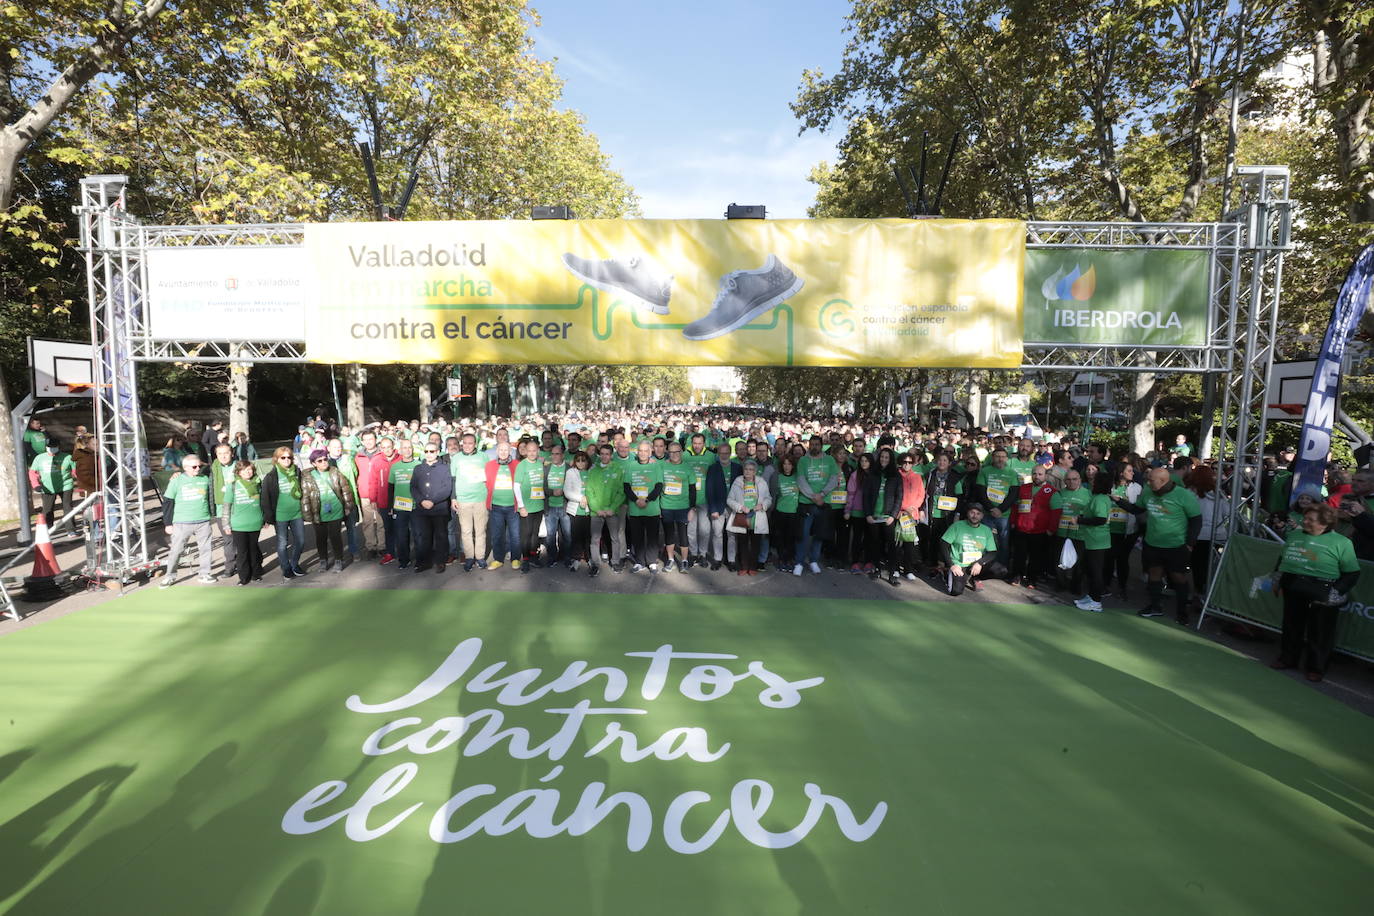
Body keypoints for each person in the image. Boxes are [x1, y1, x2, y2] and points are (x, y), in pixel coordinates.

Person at [1271, 502, 1358, 682]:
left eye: (1310, 520)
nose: (1305, 522)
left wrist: (1336, 592)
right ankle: (1288, 658)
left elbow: (1352, 572)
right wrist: (1277, 579)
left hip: (1323, 588)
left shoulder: (1342, 542)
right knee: (1291, 624)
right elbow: (1283, 558)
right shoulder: (1294, 535)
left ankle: (1316, 667)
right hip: (1293, 583)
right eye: (1305, 518)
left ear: (1324, 522)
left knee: (1320, 630)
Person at [1116, 466, 1202, 623]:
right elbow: (1137, 509)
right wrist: (1120, 501)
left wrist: (1190, 543)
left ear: (1163, 481)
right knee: (1154, 574)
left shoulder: (1184, 495)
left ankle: (1182, 612)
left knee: (1178, 577)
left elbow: (1196, 520)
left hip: (1175, 545)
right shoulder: (1148, 492)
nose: (1148, 483)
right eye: (1147, 479)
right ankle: (1155, 606)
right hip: (1152, 543)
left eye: (1151, 480)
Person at [159, 453, 216, 587]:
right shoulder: (176, 480)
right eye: (194, 466)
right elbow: (168, 502)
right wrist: (167, 523)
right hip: (182, 522)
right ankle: (170, 576)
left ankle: (204, 574)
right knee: (176, 550)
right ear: (185, 467)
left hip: (203, 521)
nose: (197, 469)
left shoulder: (204, 479)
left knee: (206, 549)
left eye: (199, 466)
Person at [302, 449, 354, 572]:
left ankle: (338, 560)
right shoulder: (307, 477)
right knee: (321, 538)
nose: (324, 462)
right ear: (314, 463)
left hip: (335, 510)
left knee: (335, 537)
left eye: (325, 459)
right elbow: (305, 496)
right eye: (319, 461)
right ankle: (323, 561)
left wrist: (348, 507)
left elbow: (345, 490)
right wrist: (307, 514)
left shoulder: (335, 472)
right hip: (318, 512)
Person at [260, 446, 307, 579]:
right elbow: (265, 498)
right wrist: (267, 517)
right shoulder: (271, 476)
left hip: (297, 513)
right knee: (282, 543)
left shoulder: (297, 472)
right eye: (283, 457)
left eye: (289, 457)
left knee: (301, 541)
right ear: (277, 459)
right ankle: (286, 567)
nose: (287, 460)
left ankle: (294, 564)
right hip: (280, 515)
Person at [1009, 464, 1059, 589]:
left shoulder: (1052, 492)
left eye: (1040, 474)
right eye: (1034, 474)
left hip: (1040, 531)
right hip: (1022, 528)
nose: (1037, 476)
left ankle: (1032, 579)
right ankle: (1017, 576)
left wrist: (1051, 529)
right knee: (1019, 555)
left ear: (1046, 476)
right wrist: (1013, 521)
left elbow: (1056, 512)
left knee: (1036, 558)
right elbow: (1015, 506)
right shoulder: (1023, 488)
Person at [796, 435, 840, 575]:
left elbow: (834, 478)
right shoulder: (803, 460)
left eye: (817, 444)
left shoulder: (829, 460)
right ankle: (799, 562)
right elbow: (801, 480)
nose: (814, 447)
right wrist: (813, 496)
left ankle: (814, 560)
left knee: (819, 534)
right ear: (809, 445)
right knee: (802, 535)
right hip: (806, 503)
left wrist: (822, 494)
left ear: (821, 445)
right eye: (812, 444)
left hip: (823, 503)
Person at [940, 502, 1004, 595]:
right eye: (972, 513)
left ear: (982, 516)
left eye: (978, 514)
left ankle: (974, 578)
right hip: (959, 565)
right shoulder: (957, 526)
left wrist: (980, 563)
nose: (975, 516)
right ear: (967, 513)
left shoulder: (986, 530)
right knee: (955, 591)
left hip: (975, 565)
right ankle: (947, 573)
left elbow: (992, 552)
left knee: (1001, 570)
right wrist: (952, 565)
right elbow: (943, 545)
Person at [1073, 474, 1114, 612]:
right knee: (1090, 570)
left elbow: (1100, 519)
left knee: (1095, 572)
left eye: (1094, 481)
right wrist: (1082, 518)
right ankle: (1091, 596)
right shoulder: (1097, 498)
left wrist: (1080, 520)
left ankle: (1096, 601)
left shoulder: (1100, 499)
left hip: (1098, 541)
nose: (1091, 482)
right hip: (1092, 540)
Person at [863, 447, 905, 585]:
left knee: (891, 545)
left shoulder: (896, 475)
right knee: (875, 543)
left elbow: (899, 497)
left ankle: (893, 573)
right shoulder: (872, 474)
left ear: (891, 459)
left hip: (888, 516)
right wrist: (868, 514)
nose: (884, 459)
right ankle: (877, 569)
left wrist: (893, 515)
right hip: (874, 516)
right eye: (882, 457)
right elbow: (866, 496)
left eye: (887, 457)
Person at [411, 441, 453, 573]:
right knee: (424, 536)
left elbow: (447, 488)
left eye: (432, 451)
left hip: (439, 509)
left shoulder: (445, 468)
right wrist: (422, 500)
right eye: (426, 451)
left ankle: (440, 561)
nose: (429, 454)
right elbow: (413, 487)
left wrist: (432, 501)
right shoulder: (418, 468)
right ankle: (425, 562)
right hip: (422, 509)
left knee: (440, 536)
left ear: (438, 452)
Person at [624, 439, 665, 573]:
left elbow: (659, 486)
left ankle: (652, 562)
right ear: (637, 452)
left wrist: (646, 500)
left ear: (650, 452)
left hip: (651, 508)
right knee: (637, 537)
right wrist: (636, 500)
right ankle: (640, 562)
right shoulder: (631, 465)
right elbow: (627, 486)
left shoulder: (656, 466)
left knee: (652, 537)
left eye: (645, 451)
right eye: (640, 451)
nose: (642, 453)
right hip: (635, 508)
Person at [451, 432, 490, 571]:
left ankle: (479, 557)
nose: (467, 445)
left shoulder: (483, 457)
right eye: (465, 443)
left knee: (480, 531)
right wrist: (453, 498)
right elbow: (453, 479)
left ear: (475, 444)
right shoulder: (456, 458)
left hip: (480, 498)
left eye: (470, 443)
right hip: (463, 499)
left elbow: (489, 477)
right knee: (466, 531)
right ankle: (469, 557)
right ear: (462, 443)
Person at [584, 443, 626, 572]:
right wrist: (597, 509)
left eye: (607, 454)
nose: (604, 456)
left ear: (611, 455)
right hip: (597, 512)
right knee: (595, 539)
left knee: (615, 538)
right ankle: (595, 564)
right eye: (602, 454)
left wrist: (612, 508)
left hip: (612, 511)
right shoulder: (593, 470)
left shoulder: (617, 469)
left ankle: (615, 562)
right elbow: (589, 492)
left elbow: (621, 492)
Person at [726, 459, 772, 575]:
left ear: (755, 471)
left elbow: (768, 498)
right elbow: (729, 499)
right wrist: (740, 507)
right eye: (746, 469)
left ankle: (753, 567)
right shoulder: (738, 481)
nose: (748, 472)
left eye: (751, 470)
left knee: (756, 544)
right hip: (742, 516)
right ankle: (743, 566)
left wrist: (762, 505)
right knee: (743, 543)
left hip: (757, 517)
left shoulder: (761, 482)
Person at [1106, 463, 1144, 598]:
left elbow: (1138, 509)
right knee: (1109, 558)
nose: (1133, 473)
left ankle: (1122, 587)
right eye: (1129, 471)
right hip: (1109, 529)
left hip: (1128, 531)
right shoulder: (1109, 486)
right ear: (1121, 473)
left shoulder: (1137, 488)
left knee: (1123, 559)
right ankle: (1106, 585)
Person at [225, 460, 266, 585]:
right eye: (243, 470)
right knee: (242, 552)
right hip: (238, 525)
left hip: (255, 522)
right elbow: (227, 506)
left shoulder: (258, 484)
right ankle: (243, 577)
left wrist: (265, 519)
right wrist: (226, 524)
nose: (247, 472)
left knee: (253, 549)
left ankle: (256, 573)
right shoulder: (232, 486)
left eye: (249, 469)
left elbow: (263, 503)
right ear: (238, 472)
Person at [485, 441, 522, 570]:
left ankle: (516, 558)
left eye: (506, 450)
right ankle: (498, 559)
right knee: (497, 534)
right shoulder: (489, 465)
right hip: (496, 506)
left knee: (515, 535)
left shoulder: (517, 465)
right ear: (496, 451)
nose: (503, 452)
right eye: (501, 450)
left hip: (513, 506)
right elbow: (485, 484)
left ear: (510, 451)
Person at [660, 441, 695, 572]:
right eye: (671, 452)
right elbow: (658, 487)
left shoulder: (688, 467)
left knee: (683, 535)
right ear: (668, 452)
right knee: (669, 534)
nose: (674, 454)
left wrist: (692, 508)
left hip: (683, 507)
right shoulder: (662, 466)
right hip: (667, 506)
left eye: (677, 451)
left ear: (681, 452)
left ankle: (684, 561)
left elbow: (692, 489)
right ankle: (670, 560)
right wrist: (659, 507)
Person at [513, 440, 547, 571]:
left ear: (538, 451)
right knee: (526, 535)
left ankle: (533, 557)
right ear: (525, 452)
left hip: (538, 506)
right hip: (526, 508)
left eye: (535, 450)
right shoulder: (522, 465)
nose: (532, 453)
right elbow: (516, 486)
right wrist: (521, 506)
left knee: (535, 534)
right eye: (530, 451)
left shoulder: (540, 464)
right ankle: (525, 560)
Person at [29, 437, 76, 531]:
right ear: (46, 447)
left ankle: (71, 529)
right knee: (47, 509)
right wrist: (36, 485)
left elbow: (76, 471)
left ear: (59, 446)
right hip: (47, 487)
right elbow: (32, 472)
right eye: (49, 447)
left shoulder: (68, 457)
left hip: (66, 485)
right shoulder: (39, 458)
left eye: (54, 447)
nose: (51, 449)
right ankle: (48, 530)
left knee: (68, 507)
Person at [207, 443, 239, 577]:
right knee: (228, 539)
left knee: (242, 538)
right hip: (221, 510)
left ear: (232, 453)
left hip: (239, 508)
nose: (223, 456)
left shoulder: (240, 466)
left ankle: (247, 564)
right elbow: (193, 473)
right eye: (220, 454)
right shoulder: (212, 469)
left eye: (226, 452)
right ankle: (230, 567)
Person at [388, 439, 421, 569]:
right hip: (400, 506)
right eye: (404, 448)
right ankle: (404, 560)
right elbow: (390, 488)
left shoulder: (419, 465)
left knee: (418, 535)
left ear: (412, 449)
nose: (407, 450)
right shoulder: (395, 466)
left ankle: (420, 560)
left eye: (409, 447)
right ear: (400, 450)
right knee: (401, 536)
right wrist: (391, 506)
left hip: (416, 506)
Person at [770, 455, 803, 574]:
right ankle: (781, 559)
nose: (787, 466)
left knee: (791, 538)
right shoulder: (778, 478)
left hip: (793, 512)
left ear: (793, 466)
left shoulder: (797, 477)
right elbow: (774, 494)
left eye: (789, 464)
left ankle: (789, 559)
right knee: (780, 538)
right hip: (780, 511)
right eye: (784, 464)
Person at [564, 451, 595, 575]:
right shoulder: (570, 472)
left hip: (590, 510)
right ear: (575, 462)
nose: (581, 463)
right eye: (578, 460)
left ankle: (590, 558)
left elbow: (596, 489)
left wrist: (588, 499)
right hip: (575, 510)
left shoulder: (593, 471)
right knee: (576, 537)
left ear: (588, 461)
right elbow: (567, 491)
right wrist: (580, 498)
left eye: (584, 460)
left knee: (589, 537)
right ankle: (576, 559)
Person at [544, 444, 571, 567]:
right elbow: (542, 487)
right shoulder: (546, 468)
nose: (554, 456)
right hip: (550, 507)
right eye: (553, 454)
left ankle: (566, 557)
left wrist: (564, 491)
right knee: (550, 535)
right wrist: (552, 492)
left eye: (557, 454)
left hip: (565, 507)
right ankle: (552, 557)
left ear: (562, 455)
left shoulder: (569, 468)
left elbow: (574, 486)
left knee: (567, 535)